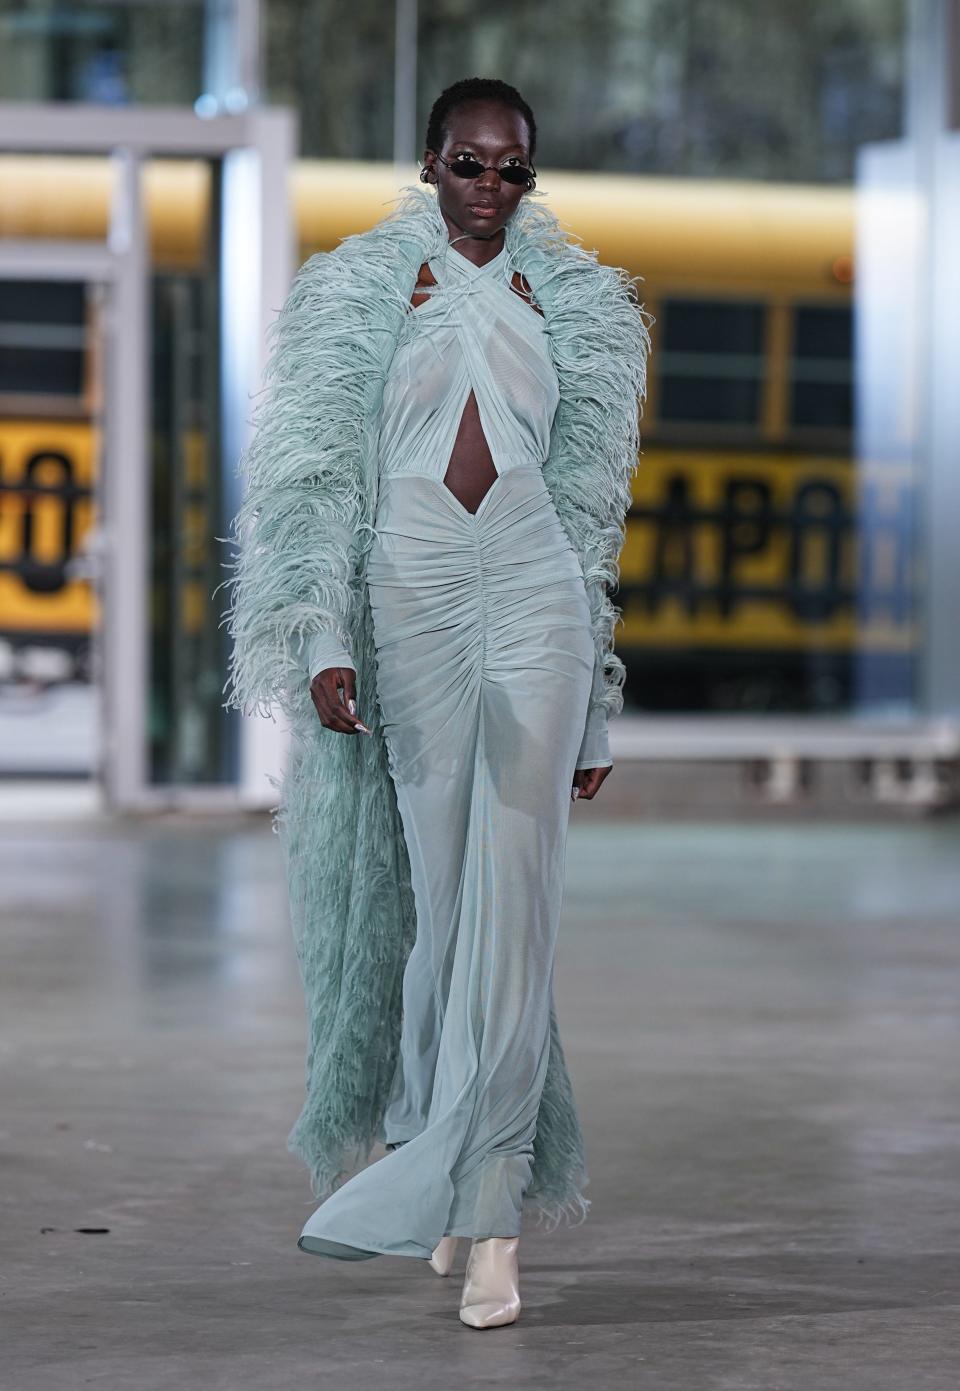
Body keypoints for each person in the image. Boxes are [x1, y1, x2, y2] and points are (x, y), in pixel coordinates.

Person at [225, 77, 652, 1330]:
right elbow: (303, 478)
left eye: (514, 170)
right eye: (470, 166)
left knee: (514, 910)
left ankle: (494, 1216)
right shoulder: (358, 289)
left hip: (535, 596)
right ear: (428, 164)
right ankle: (439, 1157)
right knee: (441, 909)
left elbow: (587, 515)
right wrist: (314, 634)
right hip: (408, 594)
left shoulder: (571, 299)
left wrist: (595, 709)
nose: (492, 191)